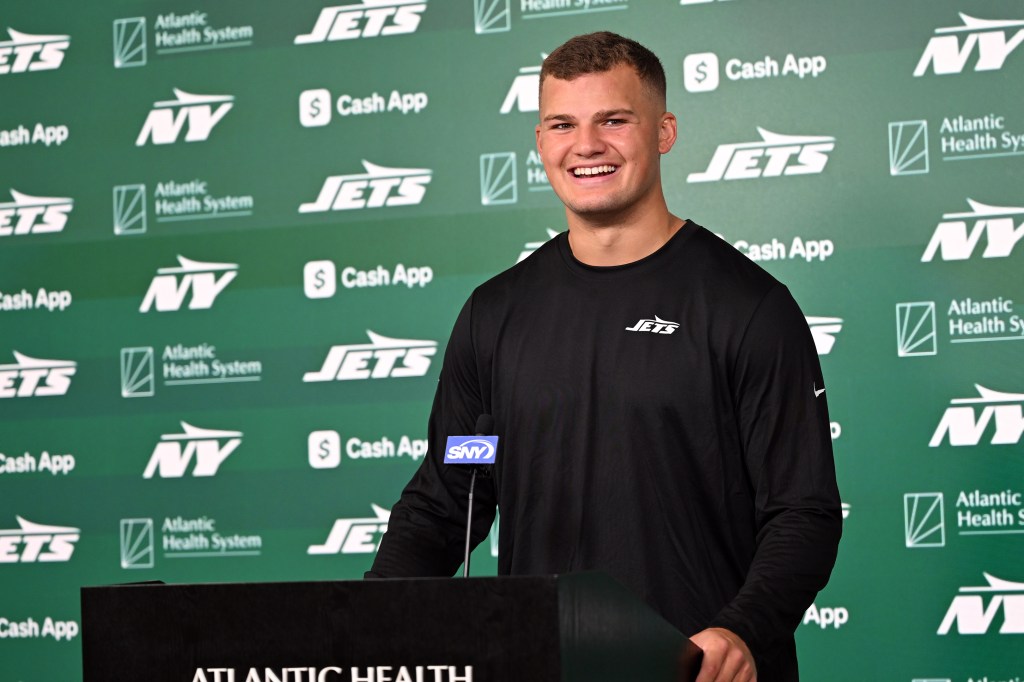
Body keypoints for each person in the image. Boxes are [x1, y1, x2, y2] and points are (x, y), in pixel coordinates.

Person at [367, 31, 842, 682]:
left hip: (691, 671)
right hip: (541, 664)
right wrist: (357, 627)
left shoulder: (748, 307)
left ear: (664, 131)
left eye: (613, 120)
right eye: (562, 124)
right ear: (541, 143)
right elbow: (449, 498)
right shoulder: (494, 314)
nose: (586, 145)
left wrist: (743, 630)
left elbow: (802, 512)